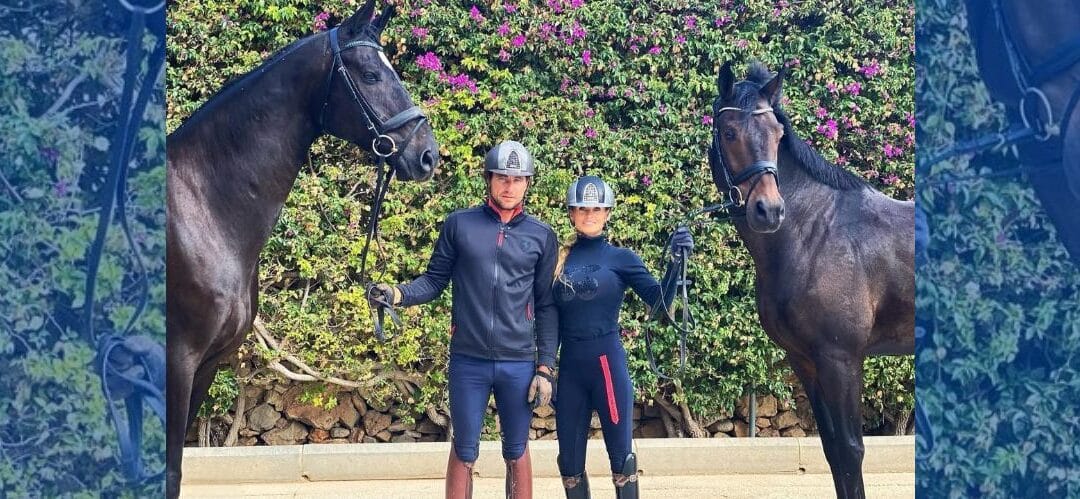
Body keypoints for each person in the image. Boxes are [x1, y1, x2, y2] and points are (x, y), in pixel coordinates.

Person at [367, 140, 558, 499]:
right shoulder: (459, 224)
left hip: (518, 362)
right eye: (502, 178)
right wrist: (396, 294)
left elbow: (546, 305)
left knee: (516, 449)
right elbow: (434, 280)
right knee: (465, 449)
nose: (509, 186)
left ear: (527, 183)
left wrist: (545, 367)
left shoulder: (542, 235)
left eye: (517, 179)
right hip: (468, 361)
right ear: (489, 179)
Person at [552, 175, 693, 499]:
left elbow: (659, 303)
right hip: (570, 371)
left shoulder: (621, 258)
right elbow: (547, 317)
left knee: (622, 460)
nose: (589, 214)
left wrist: (675, 264)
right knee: (569, 464)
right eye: (582, 208)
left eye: (596, 209)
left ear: (608, 213)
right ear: (571, 213)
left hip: (607, 369)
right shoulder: (557, 260)